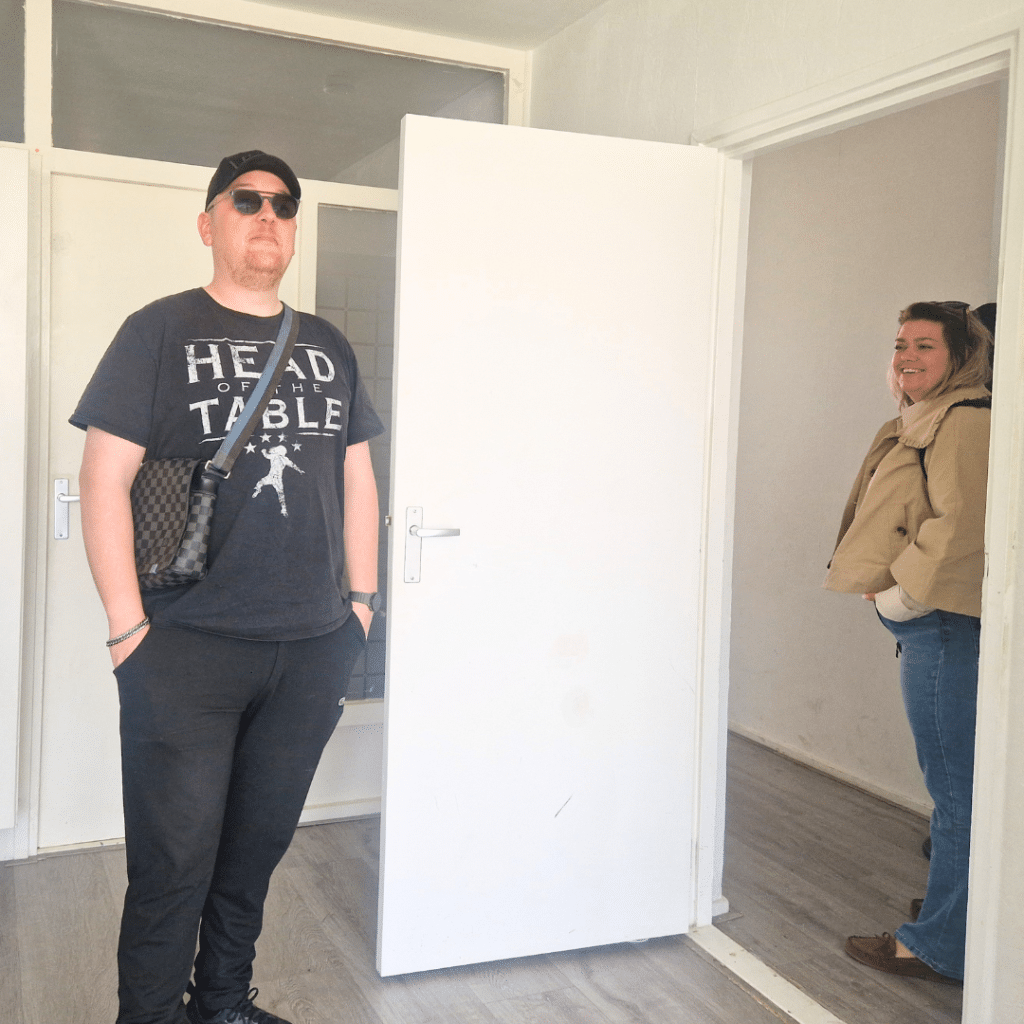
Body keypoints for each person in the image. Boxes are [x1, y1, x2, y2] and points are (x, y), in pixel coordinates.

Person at [72, 150, 384, 1024]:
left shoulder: (326, 344)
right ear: (208, 224)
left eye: (283, 204)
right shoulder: (158, 330)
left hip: (313, 644)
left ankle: (220, 1004)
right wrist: (128, 629)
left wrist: (361, 607)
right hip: (186, 647)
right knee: (174, 860)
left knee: (254, 850)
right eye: (246, 201)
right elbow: (103, 478)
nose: (267, 215)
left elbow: (358, 477)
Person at [824, 300, 993, 985]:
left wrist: (900, 597)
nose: (907, 356)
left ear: (960, 357)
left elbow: (962, 528)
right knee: (954, 786)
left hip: (942, 626)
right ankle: (960, 912)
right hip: (933, 627)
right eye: (901, 344)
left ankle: (939, 945)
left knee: (956, 792)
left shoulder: (964, 419)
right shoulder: (925, 416)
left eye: (925, 345)